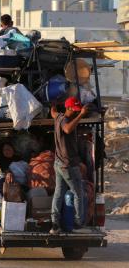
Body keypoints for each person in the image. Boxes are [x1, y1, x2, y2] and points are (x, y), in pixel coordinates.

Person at [49, 97, 89, 235]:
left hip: (59, 163)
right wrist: (81, 115)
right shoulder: (65, 121)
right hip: (68, 165)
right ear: (69, 108)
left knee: (59, 193)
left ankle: (55, 224)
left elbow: (52, 112)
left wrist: (54, 105)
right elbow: (67, 129)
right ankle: (78, 224)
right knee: (78, 193)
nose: (76, 112)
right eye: (75, 110)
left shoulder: (58, 116)